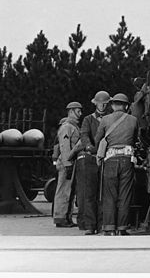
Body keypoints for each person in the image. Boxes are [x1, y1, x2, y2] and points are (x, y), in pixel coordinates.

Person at [94, 93, 139, 236]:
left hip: (111, 159)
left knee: (109, 194)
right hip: (127, 159)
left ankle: (109, 228)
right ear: (126, 106)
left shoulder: (106, 119)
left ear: (113, 105)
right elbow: (136, 139)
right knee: (124, 194)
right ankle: (122, 228)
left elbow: (97, 140)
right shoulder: (133, 120)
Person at [76, 90, 111, 235]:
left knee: (104, 194)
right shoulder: (88, 119)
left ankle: (102, 224)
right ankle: (90, 225)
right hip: (91, 158)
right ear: (95, 103)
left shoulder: (110, 119)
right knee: (89, 193)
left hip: (106, 157)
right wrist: (89, 146)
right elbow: (84, 134)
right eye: (99, 103)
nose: (102, 106)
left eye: (105, 103)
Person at [53, 101, 83, 227]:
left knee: (69, 191)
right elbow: (64, 147)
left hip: (70, 162)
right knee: (64, 190)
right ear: (71, 111)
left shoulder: (74, 126)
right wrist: (67, 164)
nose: (80, 113)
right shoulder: (67, 127)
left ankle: (67, 217)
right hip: (67, 162)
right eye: (78, 111)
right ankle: (60, 218)